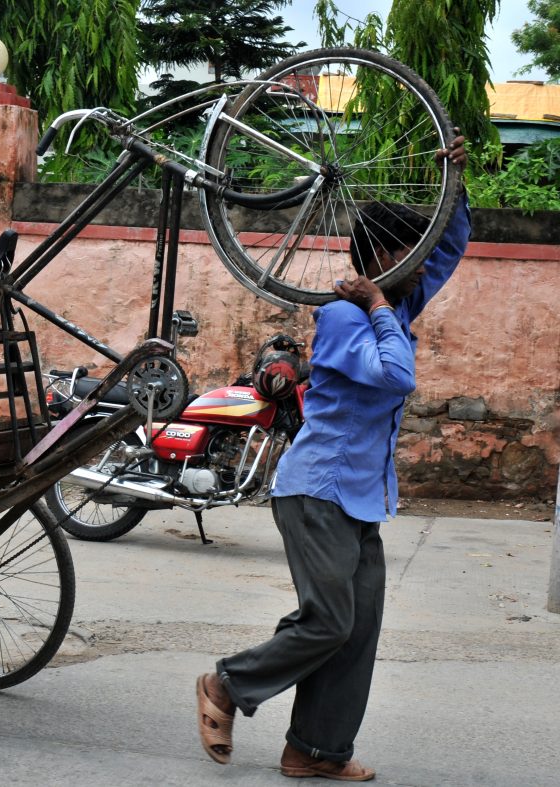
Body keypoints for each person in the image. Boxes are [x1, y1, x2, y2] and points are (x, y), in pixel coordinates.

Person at [195, 133, 469, 781]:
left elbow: (452, 246)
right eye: (413, 251)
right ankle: (226, 684)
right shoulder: (350, 317)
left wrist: (453, 184)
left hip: (358, 497)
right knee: (328, 620)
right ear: (383, 261)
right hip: (315, 491)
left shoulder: (394, 308)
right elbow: (394, 378)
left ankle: (313, 750)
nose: (424, 261)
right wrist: (374, 304)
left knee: (359, 627)